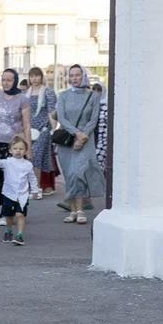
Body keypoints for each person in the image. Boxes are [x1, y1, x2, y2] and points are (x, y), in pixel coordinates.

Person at [54, 64, 105, 225]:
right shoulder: (63, 95)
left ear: (83, 76)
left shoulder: (93, 96)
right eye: (71, 75)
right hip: (67, 142)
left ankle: (81, 210)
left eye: (77, 75)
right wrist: (77, 133)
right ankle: (73, 210)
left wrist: (83, 137)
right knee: (70, 175)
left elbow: (93, 119)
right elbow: (62, 118)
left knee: (79, 173)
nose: (74, 78)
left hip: (86, 140)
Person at [0, 69, 32, 224]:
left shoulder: (22, 99)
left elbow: (26, 124)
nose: (5, 83)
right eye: (3, 79)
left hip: (13, 146)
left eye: (9, 80)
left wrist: (28, 148)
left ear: (15, 81)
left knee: (10, 180)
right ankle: (3, 208)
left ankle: (6, 214)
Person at [0, 136, 38, 245]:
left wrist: (35, 190)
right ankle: (8, 231)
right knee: (9, 216)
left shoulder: (28, 165)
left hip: (22, 195)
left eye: (21, 149)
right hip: (9, 193)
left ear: (25, 151)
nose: (18, 151)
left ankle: (19, 235)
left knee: (20, 215)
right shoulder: (8, 162)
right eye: (15, 148)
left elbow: (32, 178)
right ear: (10, 150)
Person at [25, 67, 59, 197]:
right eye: (32, 76)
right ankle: (43, 186)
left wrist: (53, 129)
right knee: (38, 157)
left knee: (36, 156)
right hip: (29, 129)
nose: (34, 79)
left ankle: (36, 188)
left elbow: (51, 111)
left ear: (41, 77)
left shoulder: (48, 92)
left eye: (37, 76)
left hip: (43, 129)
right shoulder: (26, 93)